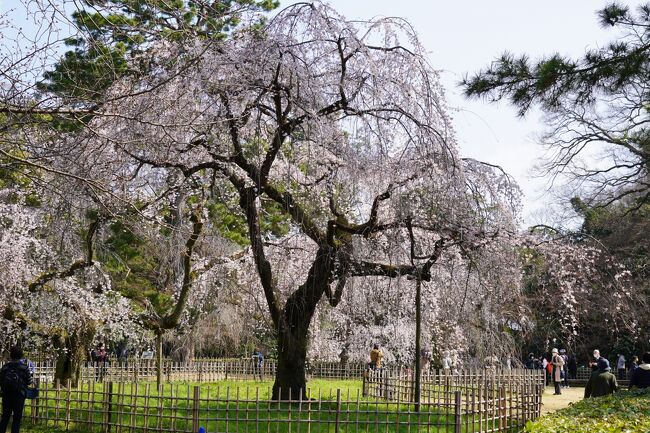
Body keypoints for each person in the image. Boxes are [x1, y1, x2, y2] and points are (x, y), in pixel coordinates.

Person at [0, 346, 33, 433]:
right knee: (17, 419)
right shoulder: (24, 367)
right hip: (19, 395)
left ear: (11, 355)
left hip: (6, 395)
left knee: (5, 417)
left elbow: (0, 380)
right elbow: (29, 381)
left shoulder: (5, 367)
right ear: (21, 355)